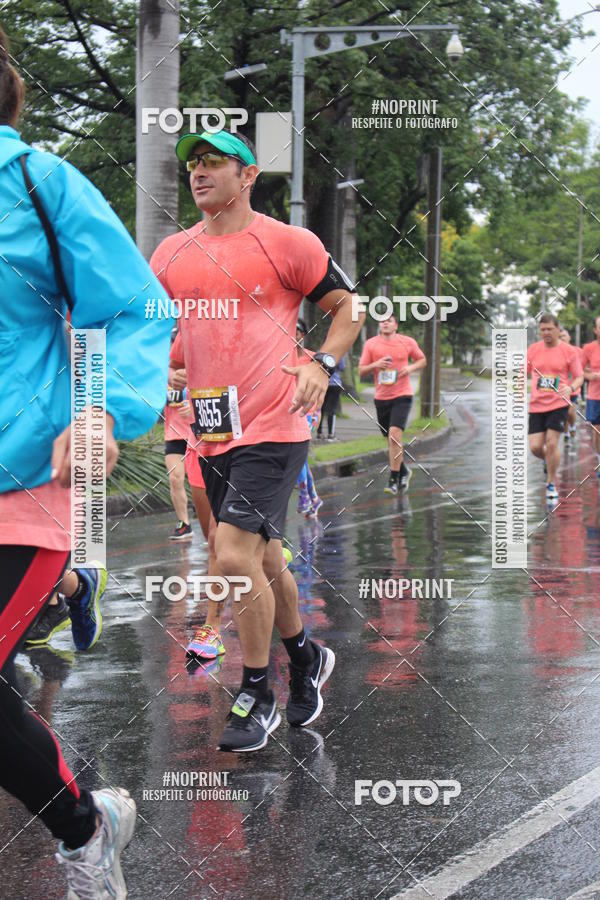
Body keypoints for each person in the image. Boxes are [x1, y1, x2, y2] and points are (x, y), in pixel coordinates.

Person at [0, 28, 171, 897]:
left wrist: (105, 410)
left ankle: (83, 825)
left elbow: (136, 310)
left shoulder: (37, 185)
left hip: (20, 485)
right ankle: (86, 822)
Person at [150, 127, 363, 752]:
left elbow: (347, 307)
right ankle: (304, 655)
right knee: (263, 559)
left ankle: (255, 690)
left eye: (217, 163)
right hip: (211, 425)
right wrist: (160, 365)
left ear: (248, 177)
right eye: (194, 164)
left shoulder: (287, 244)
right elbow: (156, 331)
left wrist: (321, 364)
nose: (200, 172)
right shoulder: (170, 253)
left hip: (275, 420)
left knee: (235, 555)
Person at [358, 314, 426, 494]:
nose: (385, 323)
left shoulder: (407, 342)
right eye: (382, 321)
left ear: (395, 325)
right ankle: (404, 470)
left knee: (395, 436)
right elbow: (361, 370)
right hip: (381, 397)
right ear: (380, 326)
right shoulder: (371, 344)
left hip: (402, 395)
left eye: (389, 321)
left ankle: (393, 480)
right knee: (390, 439)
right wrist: (376, 365)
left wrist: (410, 368)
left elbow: (422, 360)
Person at [527, 313, 583, 501]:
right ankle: (549, 460)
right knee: (535, 447)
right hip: (536, 405)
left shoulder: (569, 351)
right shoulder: (533, 350)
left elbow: (579, 376)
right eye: (542, 330)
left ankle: (551, 484)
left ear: (558, 329)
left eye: (550, 329)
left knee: (552, 443)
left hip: (558, 403)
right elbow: (522, 372)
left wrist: (571, 387)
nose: (546, 333)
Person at [164, 326, 193, 540]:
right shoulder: (163, 371)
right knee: (175, 478)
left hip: (199, 433)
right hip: (174, 433)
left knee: (205, 482)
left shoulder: (200, 367)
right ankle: (184, 523)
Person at [581, 315, 600, 480]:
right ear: (596, 330)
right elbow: (579, 370)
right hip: (595, 396)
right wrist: (591, 375)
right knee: (597, 433)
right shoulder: (588, 348)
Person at [559, 328, 582, 445]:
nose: (562, 338)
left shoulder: (577, 351)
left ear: (569, 338)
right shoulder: (556, 352)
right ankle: (566, 433)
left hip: (573, 389)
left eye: (564, 336)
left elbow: (583, 367)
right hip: (560, 389)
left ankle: (572, 426)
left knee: (570, 412)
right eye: (560, 336)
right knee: (564, 413)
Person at [317, 356, 345, 440]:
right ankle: (330, 434)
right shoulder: (339, 353)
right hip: (335, 383)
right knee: (332, 410)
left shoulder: (320, 353)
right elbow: (342, 367)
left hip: (322, 382)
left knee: (321, 409)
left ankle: (319, 433)